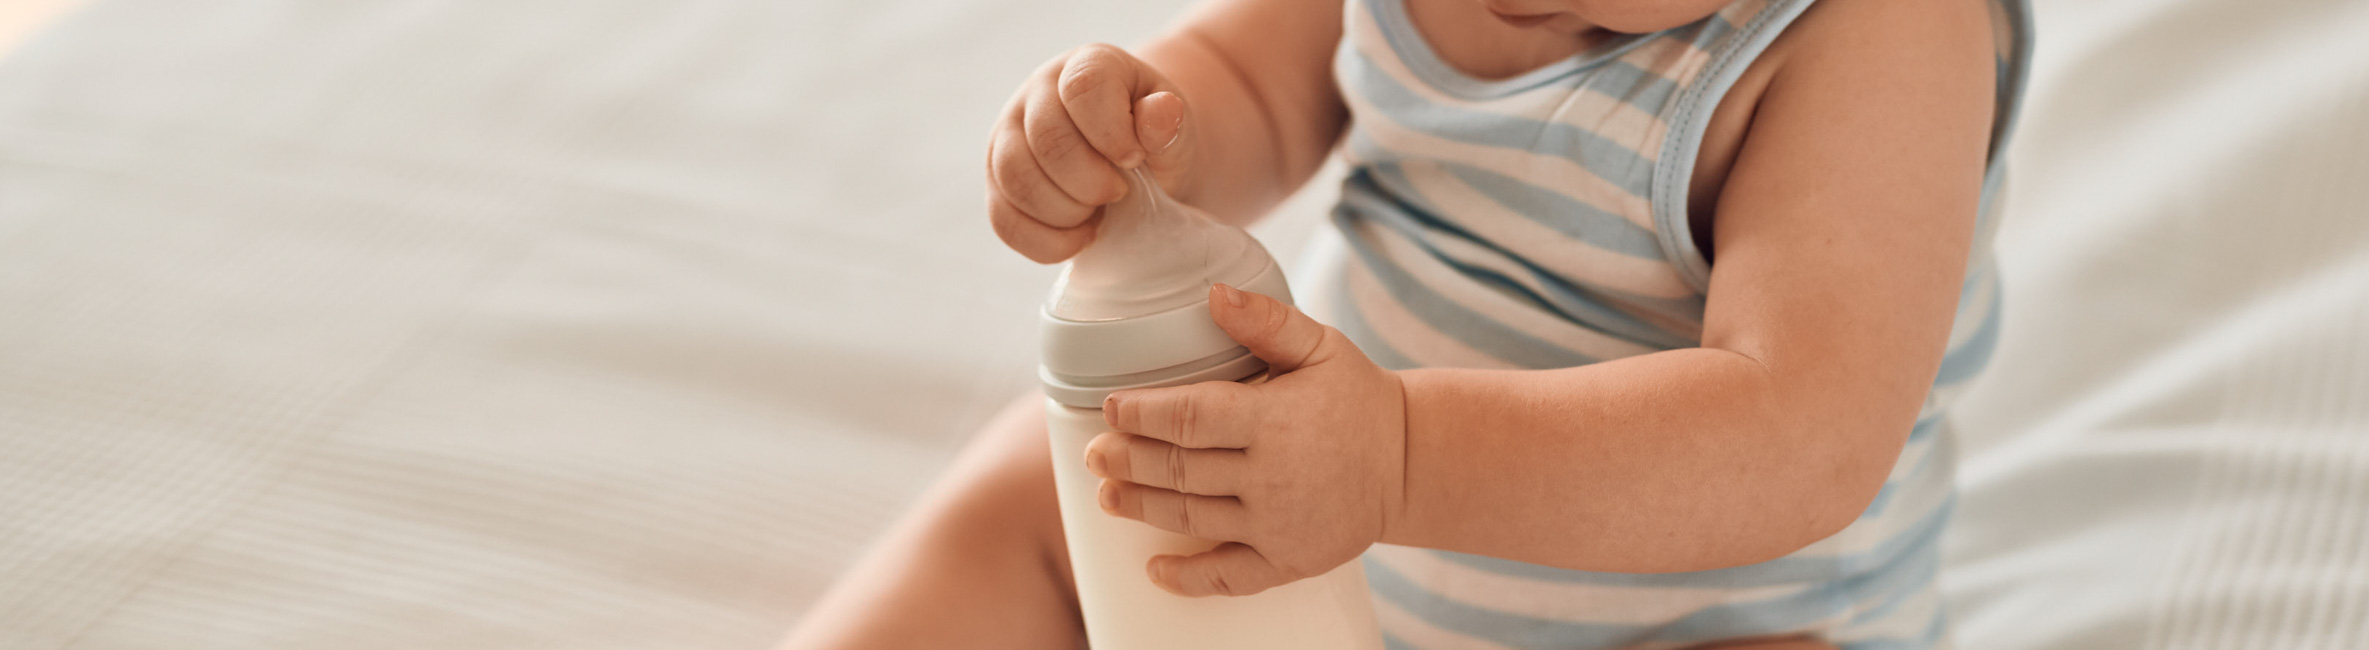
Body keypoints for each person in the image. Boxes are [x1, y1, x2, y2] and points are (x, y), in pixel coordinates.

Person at [782, 0, 2028, 646]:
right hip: (1308, 537)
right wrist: (1127, 140)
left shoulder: (1879, 38)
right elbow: (1259, 88)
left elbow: (1796, 429)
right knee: (1043, 489)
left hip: (1685, 623)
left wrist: (1399, 457)